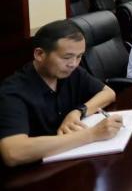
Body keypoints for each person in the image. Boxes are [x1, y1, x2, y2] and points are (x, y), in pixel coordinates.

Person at [0, 20, 123, 167]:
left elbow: (108, 93)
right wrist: (92, 134)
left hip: (70, 161)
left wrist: (78, 111)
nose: (74, 64)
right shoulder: (12, 91)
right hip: (35, 171)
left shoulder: (71, 72)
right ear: (39, 54)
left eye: (79, 56)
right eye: (66, 57)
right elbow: (13, 152)